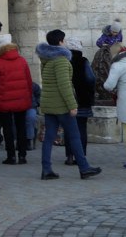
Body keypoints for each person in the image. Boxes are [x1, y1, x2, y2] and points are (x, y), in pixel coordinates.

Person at [36, 30, 102, 180]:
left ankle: (46, 169)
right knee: (74, 136)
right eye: (64, 40)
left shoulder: (45, 59)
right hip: (61, 105)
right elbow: (64, 85)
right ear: (60, 42)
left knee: (49, 138)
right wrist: (72, 105)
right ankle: (84, 168)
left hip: (49, 103)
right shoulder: (60, 60)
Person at [0, 41, 32, 164]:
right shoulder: (22, 61)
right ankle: (22, 155)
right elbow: (29, 81)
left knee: (7, 128)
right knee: (21, 127)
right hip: (21, 100)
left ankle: (11, 156)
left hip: (4, 100)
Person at [65, 37, 96, 165]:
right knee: (81, 128)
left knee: (69, 128)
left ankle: (70, 156)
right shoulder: (83, 61)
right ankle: (81, 155)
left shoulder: (64, 60)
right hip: (82, 99)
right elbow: (91, 78)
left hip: (67, 99)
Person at [91, 20, 123, 104]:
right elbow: (99, 42)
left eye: (116, 32)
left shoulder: (119, 35)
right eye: (113, 32)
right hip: (106, 53)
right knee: (104, 69)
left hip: (114, 53)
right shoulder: (105, 35)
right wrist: (104, 45)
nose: (114, 33)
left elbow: (120, 43)